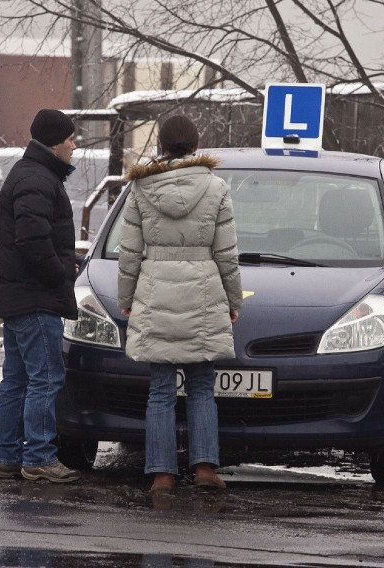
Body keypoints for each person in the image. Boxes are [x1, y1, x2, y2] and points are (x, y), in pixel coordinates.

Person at [117, 115, 243, 494]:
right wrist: (233, 300)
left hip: (156, 288)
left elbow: (128, 253)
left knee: (160, 388)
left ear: (161, 145)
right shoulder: (216, 187)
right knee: (203, 385)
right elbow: (227, 253)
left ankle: (162, 475)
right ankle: (205, 469)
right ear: (195, 143)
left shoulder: (140, 188)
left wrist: (127, 300)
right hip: (204, 289)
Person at [0, 109, 81, 483]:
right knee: (45, 378)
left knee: (17, 380)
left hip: (19, 296)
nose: (74, 147)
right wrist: (59, 274)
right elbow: (31, 238)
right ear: (55, 142)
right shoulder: (37, 179)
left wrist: (65, 259)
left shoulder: (31, 175)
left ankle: (8, 455)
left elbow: (34, 235)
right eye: (71, 139)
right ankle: (39, 456)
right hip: (35, 298)